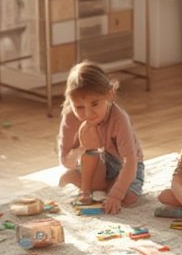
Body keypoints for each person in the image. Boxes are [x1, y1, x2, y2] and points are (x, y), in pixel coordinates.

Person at [57, 60, 144, 214]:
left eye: (95, 104)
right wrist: (83, 146)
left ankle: (98, 185)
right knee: (101, 184)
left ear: (110, 94)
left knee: (128, 197)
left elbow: (130, 162)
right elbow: (66, 161)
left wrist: (116, 195)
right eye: (79, 107)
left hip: (124, 165)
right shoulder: (70, 117)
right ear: (71, 102)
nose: (88, 114)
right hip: (93, 162)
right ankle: (88, 187)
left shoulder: (119, 118)